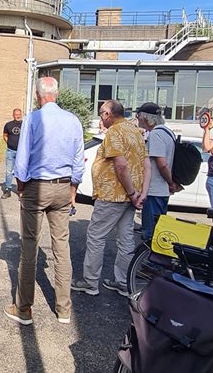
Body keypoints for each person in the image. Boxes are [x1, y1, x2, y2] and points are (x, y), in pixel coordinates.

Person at [3, 77, 84, 326]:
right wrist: (73, 189)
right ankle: (64, 309)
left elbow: (22, 158)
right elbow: (79, 159)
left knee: (29, 246)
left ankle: (24, 308)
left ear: (39, 95)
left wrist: (21, 187)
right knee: (62, 247)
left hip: (37, 186)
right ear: (56, 94)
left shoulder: (33, 119)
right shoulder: (73, 121)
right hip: (62, 185)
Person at [71, 100, 150, 298]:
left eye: (101, 114)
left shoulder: (115, 132)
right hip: (130, 196)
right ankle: (123, 282)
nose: (100, 118)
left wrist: (132, 193)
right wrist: (141, 194)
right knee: (125, 239)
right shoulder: (135, 132)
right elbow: (147, 165)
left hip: (113, 195)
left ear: (108, 114)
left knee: (96, 236)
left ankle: (90, 282)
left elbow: (121, 165)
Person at [135, 102, 181, 242]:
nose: (137, 119)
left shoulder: (156, 135)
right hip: (162, 191)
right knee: (159, 229)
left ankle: (149, 260)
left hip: (155, 189)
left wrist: (170, 182)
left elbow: (161, 164)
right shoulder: (168, 132)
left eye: (139, 116)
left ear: (146, 118)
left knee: (150, 233)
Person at [1, 108, 23, 199]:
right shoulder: (8, 125)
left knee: (21, 172)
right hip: (10, 151)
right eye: (16, 114)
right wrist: (9, 142)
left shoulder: (25, 124)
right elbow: (5, 135)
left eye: (19, 114)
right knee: (9, 172)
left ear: (21, 115)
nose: (17, 116)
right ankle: (8, 190)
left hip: (22, 152)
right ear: (13, 115)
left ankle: (21, 191)